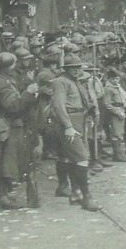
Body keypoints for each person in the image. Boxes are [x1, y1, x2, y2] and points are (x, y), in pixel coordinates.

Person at [47, 55, 100, 211]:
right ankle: (86, 196)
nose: (77, 70)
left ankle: (76, 193)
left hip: (80, 120)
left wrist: (91, 111)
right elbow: (58, 106)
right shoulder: (60, 82)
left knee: (73, 159)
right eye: (73, 67)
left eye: (79, 67)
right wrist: (68, 126)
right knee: (82, 158)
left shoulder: (75, 82)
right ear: (66, 68)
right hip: (68, 122)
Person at [0, 51, 28, 210]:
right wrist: (28, 94)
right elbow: (13, 105)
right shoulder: (3, 84)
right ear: (11, 66)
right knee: (4, 162)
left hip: (1, 124)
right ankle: (0, 197)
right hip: (6, 125)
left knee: (1, 161)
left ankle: (1, 195)